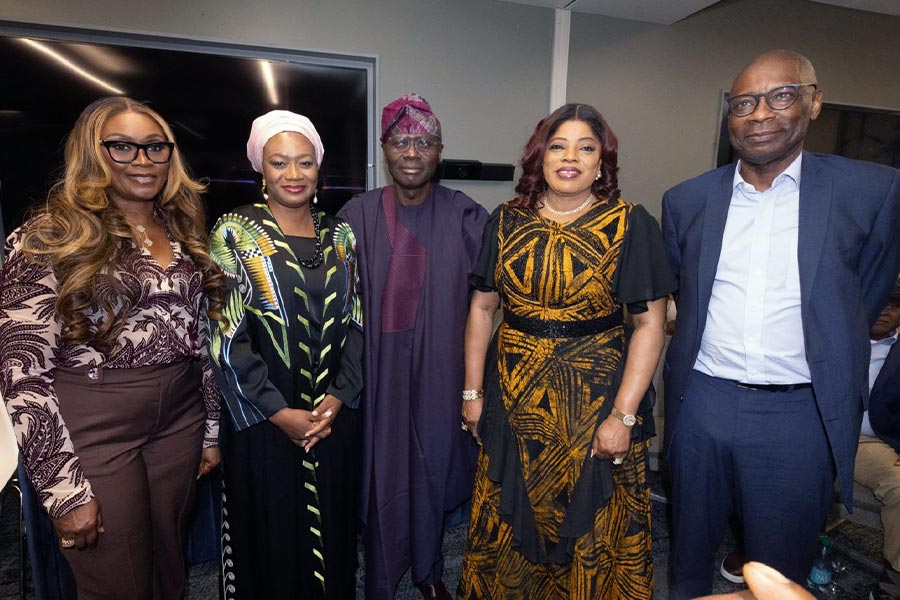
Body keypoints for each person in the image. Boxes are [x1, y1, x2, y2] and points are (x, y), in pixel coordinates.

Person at [661, 49, 900, 599]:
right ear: (730, 116)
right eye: (744, 103)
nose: (760, 113)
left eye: (781, 95)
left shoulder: (872, 191)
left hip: (800, 412)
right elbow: (681, 294)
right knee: (688, 555)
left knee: (778, 570)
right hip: (701, 402)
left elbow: (867, 292)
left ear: (814, 102)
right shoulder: (687, 199)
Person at [0, 96, 223, 599]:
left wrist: (209, 430)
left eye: (155, 148)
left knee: (169, 568)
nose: (143, 161)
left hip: (179, 420)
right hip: (96, 423)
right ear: (92, 153)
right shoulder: (48, 237)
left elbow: (199, 341)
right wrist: (62, 490)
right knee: (116, 579)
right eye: (122, 147)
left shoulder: (181, 228)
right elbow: (22, 372)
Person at [458, 103, 676, 600]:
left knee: (592, 528)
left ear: (603, 162)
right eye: (558, 146)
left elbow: (649, 323)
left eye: (586, 147)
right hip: (512, 396)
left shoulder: (629, 224)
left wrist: (622, 417)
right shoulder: (506, 221)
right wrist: (472, 391)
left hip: (594, 401)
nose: (570, 157)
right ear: (540, 157)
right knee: (508, 520)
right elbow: (481, 308)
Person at [337, 93, 488, 600]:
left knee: (432, 468)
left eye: (422, 141)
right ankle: (380, 578)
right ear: (385, 149)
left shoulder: (468, 217)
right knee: (381, 471)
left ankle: (428, 571)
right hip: (375, 375)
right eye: (400, 141)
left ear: (439, 150)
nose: (411, 151)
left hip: (441, 374)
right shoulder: (354, 217)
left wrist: (472, 387)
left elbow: (486, 307)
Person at [208, 110, 363, 600]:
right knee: (270, 535)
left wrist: (338, 399)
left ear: (319, 169)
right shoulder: (234, 232)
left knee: (332, 535)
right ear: (262, 169)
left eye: (304, 163)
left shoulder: (341, 235)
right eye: (280, 163)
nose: (293, 175)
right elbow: (225, 335)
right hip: (265, 420)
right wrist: (279, 412)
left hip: (330, 420)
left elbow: (357, 323)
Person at [856, 281, 900, 600]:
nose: (885, 309)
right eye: (881, 300)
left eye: (895, 304)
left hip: (870, 442)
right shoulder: (837, 337)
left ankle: (894, 579)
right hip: (816, 432)